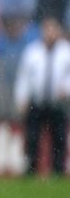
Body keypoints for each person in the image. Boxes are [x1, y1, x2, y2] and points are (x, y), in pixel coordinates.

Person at [14, 16, 70, 177]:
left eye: (53, 29)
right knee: (32, 137)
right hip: (36, 102)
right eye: (47, 29)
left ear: (58, 31)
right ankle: (31, 168)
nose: (50, 33)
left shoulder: (66, 52)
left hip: (57, 103)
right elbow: (24, 77)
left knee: (59, 138)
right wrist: (22, 98)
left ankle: (58, 170)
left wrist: (66, 88)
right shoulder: (32, 52)